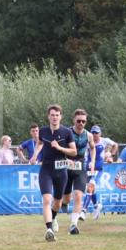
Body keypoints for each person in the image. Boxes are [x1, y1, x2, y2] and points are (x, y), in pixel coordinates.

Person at [30, 104, 77, 242]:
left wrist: (59, 147)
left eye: (57, 115)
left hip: (61, 171)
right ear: (48, 116)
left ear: (61, 117)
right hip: (46, 169)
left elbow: (74, 152)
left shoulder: (67, 132)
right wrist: (35, 155)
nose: (54, 117)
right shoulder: (43, 131)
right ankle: (49, 230)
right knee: (46, 199)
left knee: (57, 203)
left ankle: (54, 217)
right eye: (52, 115)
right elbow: (40, 143)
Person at [58, 109, 94, 234]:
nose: (81, 123)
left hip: (80, 167)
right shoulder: (66, 133)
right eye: (79, 121)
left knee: (78, 195)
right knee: (67, 199)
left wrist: (92, 161)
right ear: (74, 120)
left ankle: (73, 225)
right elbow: (59, 149)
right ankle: (64, 203)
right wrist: (65, 159)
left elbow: (93, 148)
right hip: (66, 167)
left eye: (83, 121)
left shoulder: (89, 135)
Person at [87, 125, 106, 219]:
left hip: (98, 168)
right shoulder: (87, 141)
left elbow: (114, 145)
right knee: (90, 188)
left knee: (91, 186)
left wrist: (110, 154)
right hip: (88, 168)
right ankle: (96, 206)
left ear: (100, 133)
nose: (95, 135)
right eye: (93, 133)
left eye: (96, 133)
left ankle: (83, 210)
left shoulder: (104, 141)